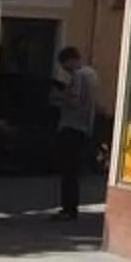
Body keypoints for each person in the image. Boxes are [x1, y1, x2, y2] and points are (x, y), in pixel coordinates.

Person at [51, 45, 101, 220]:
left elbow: (74, 101)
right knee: (74, 170)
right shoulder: (92, 74)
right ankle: (70, 208)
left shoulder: (78, 76)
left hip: (72, 126)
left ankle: (68, 209)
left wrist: (59, 97)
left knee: (68, 170)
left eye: (64, 65)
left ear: (71, 60)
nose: (64, 69)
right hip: (85, 126)